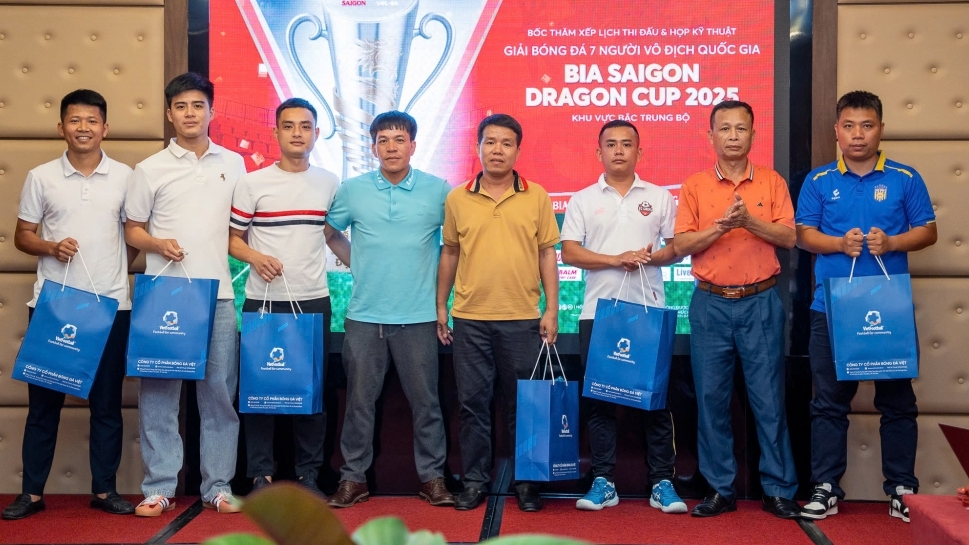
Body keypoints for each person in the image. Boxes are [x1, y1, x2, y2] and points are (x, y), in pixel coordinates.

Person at [795, 90, 937, 522]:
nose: (858, 134)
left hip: (888, 308)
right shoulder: (818, 180)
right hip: (831, 308)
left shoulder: (905, 177)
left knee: (897, 402)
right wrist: (838, 244)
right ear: (836, 132)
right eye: (849, 126)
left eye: (867, 125)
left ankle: (902, 489)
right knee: (828, 403)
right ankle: (825, 487)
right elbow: (804, 235)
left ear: (881, 129)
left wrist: (892, 242)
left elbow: (928, 231)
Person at [3, 90, 137, 520]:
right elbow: (23, 236)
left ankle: (105, 490)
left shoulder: (126, 177)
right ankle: (31, 494)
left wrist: (111, 271)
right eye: (75, 120)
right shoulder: (41, 176)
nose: (83, 127)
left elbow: (133, 238)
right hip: (54, 306)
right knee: (43, 407)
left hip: (110, 307)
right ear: (61, 127)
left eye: (92, 120)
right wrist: (51, 247)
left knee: (107, 405)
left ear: (105, 128)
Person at [124, 73, 246, 516]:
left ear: (211, 111)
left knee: (219, 395)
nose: (190, 113)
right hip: (166, 296)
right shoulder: (150, 168)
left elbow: (239, 229)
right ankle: (159, 487)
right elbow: (132, 230)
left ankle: (218, 486)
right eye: (181, 106)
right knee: (159, 394)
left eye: (198, 105)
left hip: (219, 296)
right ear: (169, 113)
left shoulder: (234, 163)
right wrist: (157, 244)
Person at [673, 100, 801, 519]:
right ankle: (719, 488)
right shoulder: (694, 185)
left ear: (753, 135)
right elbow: (682, 244)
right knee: (711, 400)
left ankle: (778, 489)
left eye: (740, 129)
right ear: (710, 136)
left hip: (760, 302)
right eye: (724, 128)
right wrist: (722, 226)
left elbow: (788, 237)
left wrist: (749, 222)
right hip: (710, 303)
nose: (732, 136)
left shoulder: (771, 181)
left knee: (769, 400)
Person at [325, 111, 455, 508]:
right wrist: (359, 264)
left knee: (427, 404)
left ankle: (433, 478)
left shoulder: (439, 191)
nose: (391, 147)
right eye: (383, 140)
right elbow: (331, 233)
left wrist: (440, 302)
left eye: (399, 140)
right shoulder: (353, 190)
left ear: (413, 146)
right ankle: (353, 479)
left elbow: (453, 245)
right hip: (365, 316)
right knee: (358, 403)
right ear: (373, 147)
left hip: (418, 317)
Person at [560, 120, 686, 514]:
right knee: (600, 402)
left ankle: (662, 481)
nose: (619, 150)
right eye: (611, 144)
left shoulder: (660, 197)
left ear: (639, 152)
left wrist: (647, 257)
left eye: (627, 144)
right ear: (599, 152)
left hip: (647, 312)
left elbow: (676, 248)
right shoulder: (582, 199)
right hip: (599, 314)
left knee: (655, 401)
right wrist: (617, 259)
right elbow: (570, 253)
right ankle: (603, 481)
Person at [437, 114, 560, 512]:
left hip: (522, 318)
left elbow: (547, 254)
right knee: (473, 404)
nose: (497, 150)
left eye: (506, 143)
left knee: (524, 405)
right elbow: (450, 252)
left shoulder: (536, 196)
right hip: (470, 318)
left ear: (518, 150)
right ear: (478, 148)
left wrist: (551, 309)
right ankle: (475, 482)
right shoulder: (457, 198)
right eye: (490, 142)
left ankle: (527, 483)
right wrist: (441, 306)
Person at [229, 98, 349, 497]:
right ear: (276, 132)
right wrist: (256, 257)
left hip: (313, 300)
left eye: (305, 126)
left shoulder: (329, 182)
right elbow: (233, 239)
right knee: (259, 391)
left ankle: (309, 475)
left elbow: (332, 236)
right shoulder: (253, 183)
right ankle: (260, 475)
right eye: (289, 126)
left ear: (316, 133)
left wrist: (368, 271)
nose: (297, 133)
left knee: (312, 392)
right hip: (263, 301)